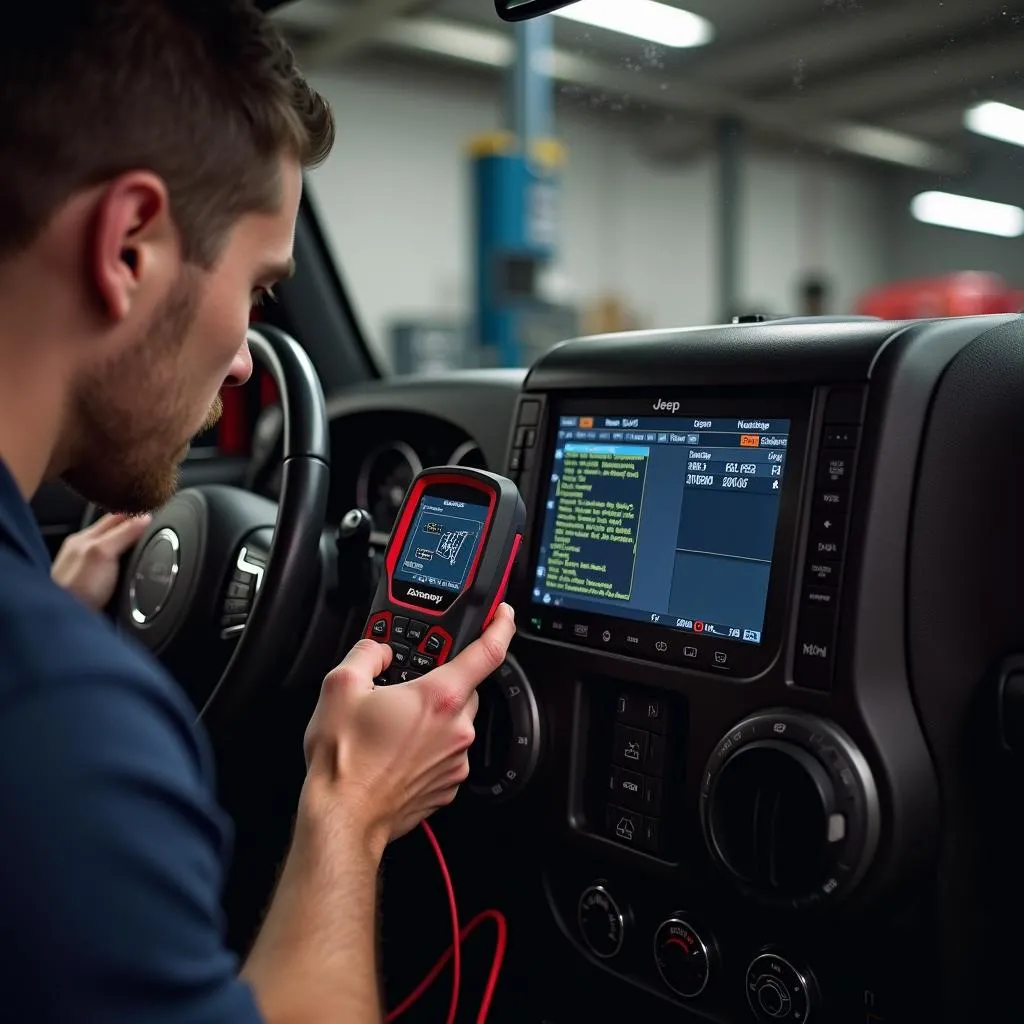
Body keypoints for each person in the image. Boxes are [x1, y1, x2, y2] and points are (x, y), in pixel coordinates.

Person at [0, 3, 514, 1022]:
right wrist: (349, 806)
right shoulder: (55, 717)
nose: (243, 358)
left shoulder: (39, 638)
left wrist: (51, 609)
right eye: (260, 290)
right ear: (130, 245)